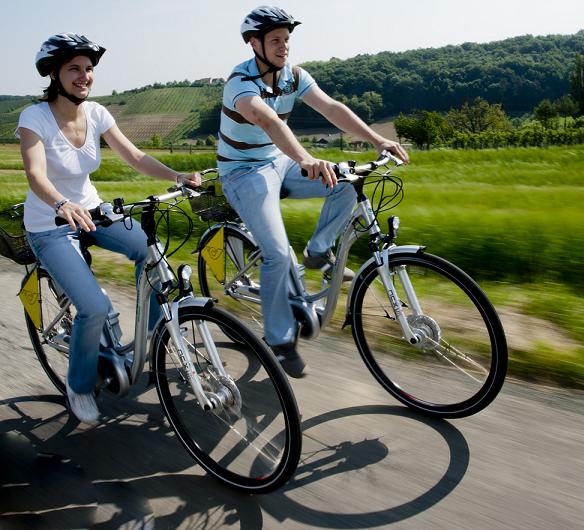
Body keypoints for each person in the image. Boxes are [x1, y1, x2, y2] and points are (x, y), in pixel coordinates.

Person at [17, 33, 201, 424]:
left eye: (88, 69)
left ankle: (150, 337)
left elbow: (134, 156)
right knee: (94, 308)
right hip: (50, 224)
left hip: (94, 212)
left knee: (150, 252)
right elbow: (35, 174)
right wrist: (61, 204)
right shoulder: (34, 118)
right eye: (74, 69)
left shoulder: (97, 113)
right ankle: (79, 385)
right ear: (53, 73)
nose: (84, 76)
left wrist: (178, 175)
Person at [217, 6, 409, 378]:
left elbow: (331, 108)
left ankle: (319, 250)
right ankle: (278, 337)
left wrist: (377, 139)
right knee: (275, 253)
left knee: (349, 181)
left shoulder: (293, 76)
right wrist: (306, 158)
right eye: (275, 40)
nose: (284, 46)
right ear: (253, 43)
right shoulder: (239, 83)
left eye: (287, 39)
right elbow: (267, 119)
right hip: (243, 173)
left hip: (280, 161)